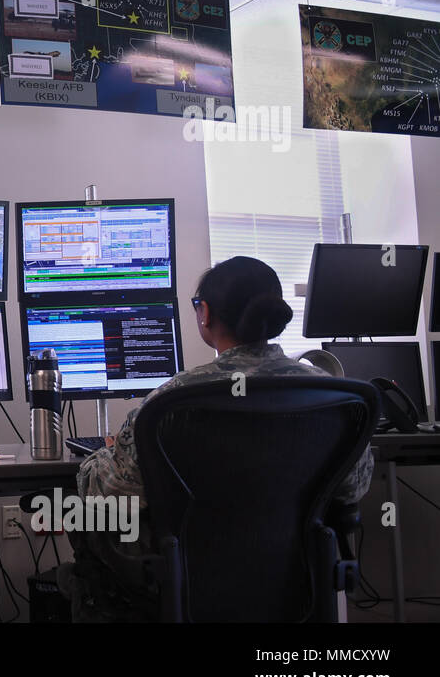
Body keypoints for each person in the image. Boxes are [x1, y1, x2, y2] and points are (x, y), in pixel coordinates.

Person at [64, 256, 374, 621]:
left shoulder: (173, 400)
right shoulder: (336, 397)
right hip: (295, 581)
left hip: (189, 584)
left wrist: (105, 454)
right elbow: (354, 487)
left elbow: (109, 493)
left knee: (78, 515)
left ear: (205, 313)